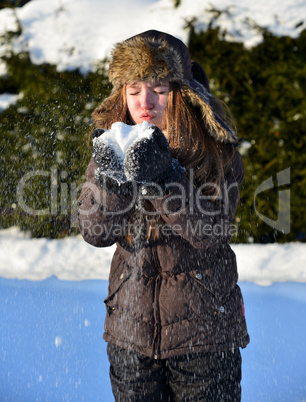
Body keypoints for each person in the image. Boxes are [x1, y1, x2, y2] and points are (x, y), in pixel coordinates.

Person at [78, 30, 249, 401]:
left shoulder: (214, 150)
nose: (145, 103)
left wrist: (164, 179)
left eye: (158, 88)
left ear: (182, 91)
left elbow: (212, 229)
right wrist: (113, 181)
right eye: (134, 89)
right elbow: (94, 231)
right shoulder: (113, 144)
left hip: (204, 336)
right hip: (130, 336)